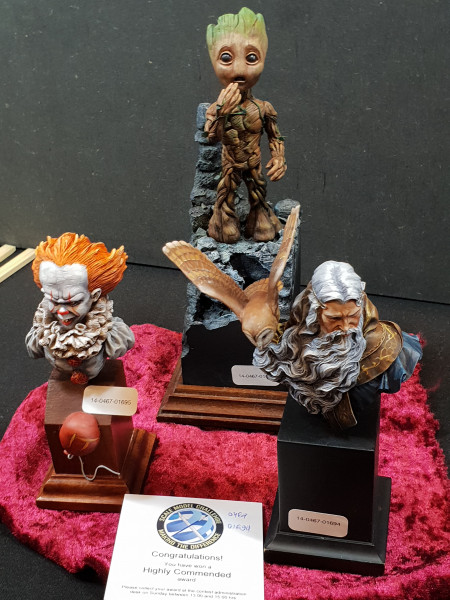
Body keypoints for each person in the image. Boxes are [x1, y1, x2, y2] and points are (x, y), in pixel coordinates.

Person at [253, 260, 422, 429]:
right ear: (313, 313)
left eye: (353, 316)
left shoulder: (390, 347)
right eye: (334, 318)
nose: (346, 327)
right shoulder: (288, 345)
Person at [205, 7, 287, 243]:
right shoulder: (217, 108)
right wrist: (222, 113)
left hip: (253, 164)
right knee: (225, 199)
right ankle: (222, 221)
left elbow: (275, 135)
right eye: (226, 58)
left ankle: (259, 217)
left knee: (259, 197)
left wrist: (279, 158)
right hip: (230, 166)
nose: (239, 69)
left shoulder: (263, 108)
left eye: (251, 58)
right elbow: (212, 137)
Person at [26, 232, 134, 384]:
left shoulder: (110, 331)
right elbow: (34, 350)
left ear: (94, 296)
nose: (62, 311)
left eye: (73, 303)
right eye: (54, 301)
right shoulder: (43, 332)